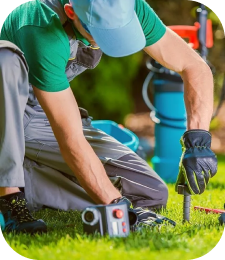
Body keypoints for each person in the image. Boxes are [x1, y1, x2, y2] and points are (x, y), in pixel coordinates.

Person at [0, 0, 217, 234]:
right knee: (5, 59)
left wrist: (198, 141)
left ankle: (26, 179)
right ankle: (10, 196)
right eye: (100, 33)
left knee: (151, 191)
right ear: (71, 12)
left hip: (42, 114)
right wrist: (117, 207)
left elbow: (194, 66)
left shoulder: (129, 6)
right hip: (7, 114)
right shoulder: (42, 26)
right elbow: (71, 139)